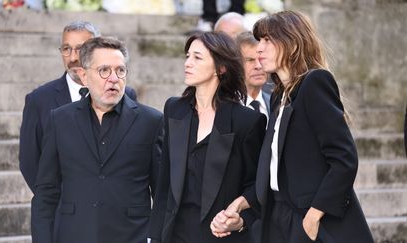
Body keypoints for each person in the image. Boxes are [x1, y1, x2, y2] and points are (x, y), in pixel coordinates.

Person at [211, 10, 374, 243]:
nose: (259, 49)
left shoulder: (315, 83)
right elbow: (277, 168)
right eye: (260, 41)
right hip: (281, 219)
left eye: (267, 40)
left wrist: (314, 215)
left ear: (292, 44)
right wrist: (243, 202)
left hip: (314, 221)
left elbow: (344, 159)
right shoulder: (279, 95)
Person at [31, 37, 163, 243]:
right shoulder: (60, 119)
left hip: (132, 236)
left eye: (120, 70)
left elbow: (161, 192)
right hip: (73, 235)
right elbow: (46, 193)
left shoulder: (152, 121)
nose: (113, 78)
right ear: (83, 76)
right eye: (104, 70)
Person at [148, 31, 266, 243]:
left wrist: (240, 220)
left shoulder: (247, 121)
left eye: (197, 57)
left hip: (221, 235)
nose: (187, 63)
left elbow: (257, 186)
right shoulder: (174, 109)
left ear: (220, 68)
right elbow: (165, 180)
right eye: (187, 56)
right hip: (175, 234)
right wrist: (154, 236)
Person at [19, 21, 136, 192]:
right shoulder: (38, 100)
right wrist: (57, 204)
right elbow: (30, 162)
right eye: (66, 49)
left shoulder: (126, 95)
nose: (73, 58)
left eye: (80, 49)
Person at [236, 31, 270, 119]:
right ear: (236, 64)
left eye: (261, 59)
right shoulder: (223, 106)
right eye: (250, 60)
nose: (258, 66)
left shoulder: (275, 104)